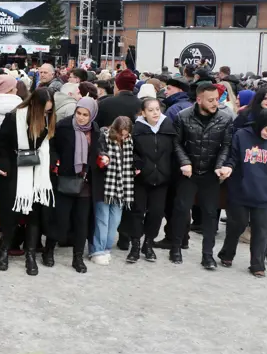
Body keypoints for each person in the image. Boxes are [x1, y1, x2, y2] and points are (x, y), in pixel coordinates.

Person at [216, 109, 267, 277]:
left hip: (263, 192)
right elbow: (233, 157)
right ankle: (227, 254)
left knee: (262, 229)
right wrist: (228, 167)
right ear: (260, 124)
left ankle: (257, 265)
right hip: (241, 189)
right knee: (237, 224)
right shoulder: (242, 135)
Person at [170, 84, 233, 268]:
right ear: (199, 99)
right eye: (210, 100)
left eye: (217, 99)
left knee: (210, 214)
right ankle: (175, 248)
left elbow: (226, 146)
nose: (215, 103)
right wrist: (184, 162)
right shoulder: (183, 116)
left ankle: (207, 255)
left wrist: (219, 166)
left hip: (210, 173)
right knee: (181, 210)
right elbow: (176, 142)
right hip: (188, 172)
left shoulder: (225, 118)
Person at [0, 88, 56, 275]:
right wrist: (3, 164)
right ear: (35, 105)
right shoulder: (15, 118)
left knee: (34, 214)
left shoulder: (48, 119)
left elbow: (51, 146)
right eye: (44, 110)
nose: (46, 114)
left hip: (38, 171)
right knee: (11, 212)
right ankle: (4, 249)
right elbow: (0, 144)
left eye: (49, 111)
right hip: (14, 169)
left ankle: (30, 254)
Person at [48, 96, 101, 273]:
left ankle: (77, 257)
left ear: (92, 115)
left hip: (86, 182)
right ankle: (49, 250)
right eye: (78, 113)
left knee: (81, 222)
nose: (81, 118)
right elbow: (52, 146)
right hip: (66, 179)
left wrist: (101, 158)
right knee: (60, 219)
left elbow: (97, 150)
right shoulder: (64, 126)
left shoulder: (95, 129)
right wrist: (56, 162)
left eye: (85, 115)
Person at [129, 98, 177, 263]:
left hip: (162, 178)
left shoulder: (168, 128)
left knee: (156, 213)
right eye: (150, 110)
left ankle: (148, 243)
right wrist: (137, 163)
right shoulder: (136, 130)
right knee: (137, 211)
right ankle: (135, 244)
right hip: (141, 178)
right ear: (143, 113)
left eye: (157, 109)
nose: (155, 113)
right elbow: (131, 151)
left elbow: (174, 151)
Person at [89, 117, 135, 264]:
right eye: (121, 134)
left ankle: (106, 248)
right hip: (104, 185)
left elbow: (132, 159)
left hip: (121, 187)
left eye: (126, 134)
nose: (123, 137)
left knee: (115, 221)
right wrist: (103, 158)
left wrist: (137, 166)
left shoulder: (129, 141)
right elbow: (98, 154)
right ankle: (97, 250)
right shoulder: (103, 137)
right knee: (102, 220)